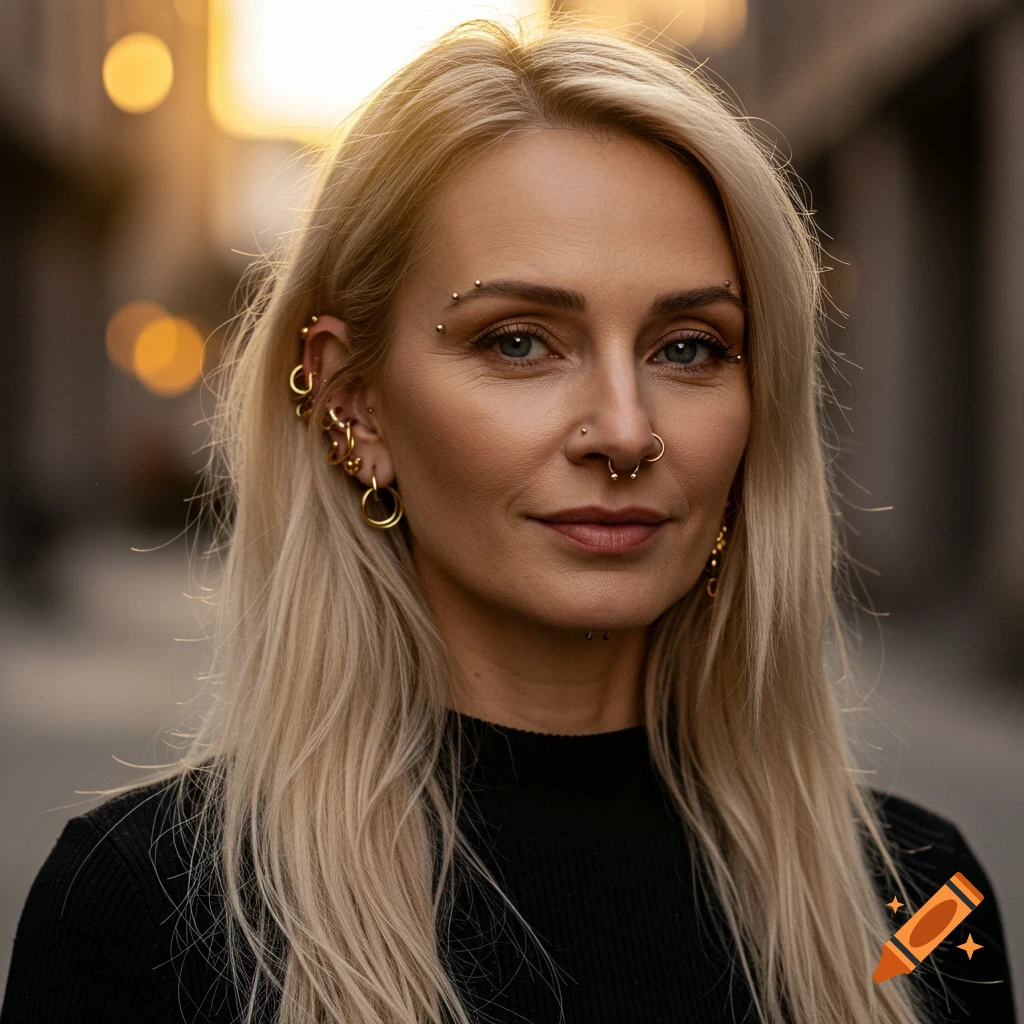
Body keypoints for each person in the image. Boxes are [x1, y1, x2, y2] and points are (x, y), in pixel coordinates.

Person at [0, 16, 1015, 1024]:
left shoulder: (919, 905)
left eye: (690, 347)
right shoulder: (145, 916)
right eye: (521, 341)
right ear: (355, 403)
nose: (623, 431)